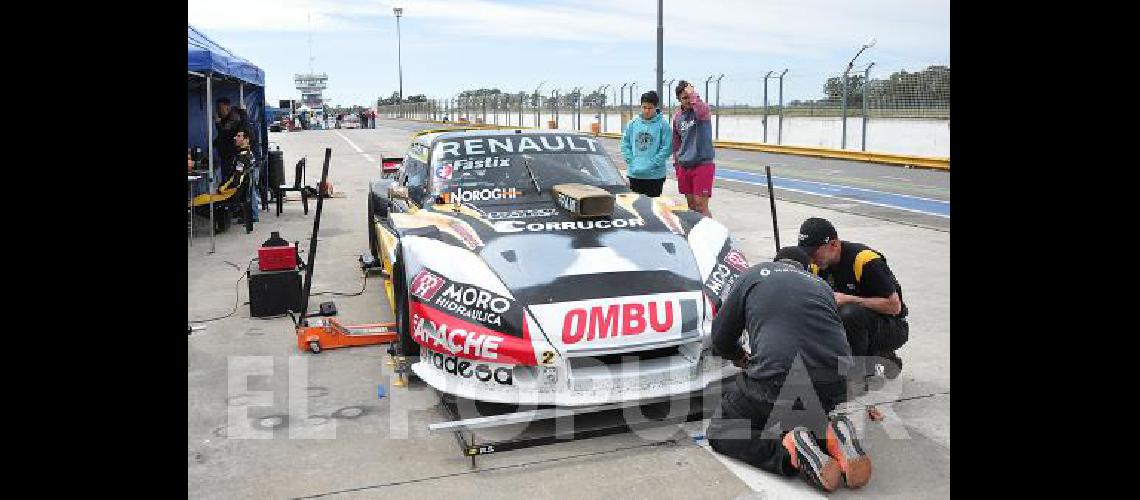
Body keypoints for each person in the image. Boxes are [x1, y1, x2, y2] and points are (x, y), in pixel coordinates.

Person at [706, 247, 870, 493]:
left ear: (776, 262)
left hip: (779, 378)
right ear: (804, 269)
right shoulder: (821, 286)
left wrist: (742, 357)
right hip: (835, 383)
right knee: (798, 411)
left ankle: (789, 453)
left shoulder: (753, 275)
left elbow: (720, 339)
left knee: (723, 429)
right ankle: (828, 435)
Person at [797, 217, 908, 380]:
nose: (811, 259)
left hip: (890, 326)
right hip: (850, 326)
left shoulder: (864, 260)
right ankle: (876, 357)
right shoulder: (816, 266)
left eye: (814, 253)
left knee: (850, 313)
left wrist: (849, 299)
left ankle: (856, 375)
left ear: (833, 245)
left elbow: (894, 307)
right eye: (807, 254)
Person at [671, 80, 716, 217]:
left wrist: (692, 95)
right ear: (678, 99)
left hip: (702, 164)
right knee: (691, 207)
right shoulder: (677, 117)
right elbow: (676, 143)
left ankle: (709, 235)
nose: (688, 100)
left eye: (690, 96)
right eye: (684, 98)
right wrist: (677, 164)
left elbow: (701, 109)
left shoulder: (702, 110)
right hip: (684, 165)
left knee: (701, 206)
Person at [620, 91, 672, 197]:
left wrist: (654, 163)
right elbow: (625, 143)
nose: (647, 110)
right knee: (634, 207)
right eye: (644, 107)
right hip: (634, 174)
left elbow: (667, 147)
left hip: (655, 176)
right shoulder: (633, 123)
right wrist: (631, 160)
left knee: (651, 209)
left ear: (655, 107)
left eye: (650, 108)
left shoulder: (663, 125)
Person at [214, 98, 248, 182]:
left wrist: (217, 123)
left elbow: (225, 134)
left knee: (230, 182)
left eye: (219, 108)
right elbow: (223, 137)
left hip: (232, 157)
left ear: (227, 107)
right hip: (226, 156)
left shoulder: (234, 118)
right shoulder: (226, 119)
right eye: (217, 108)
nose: (218, 111)